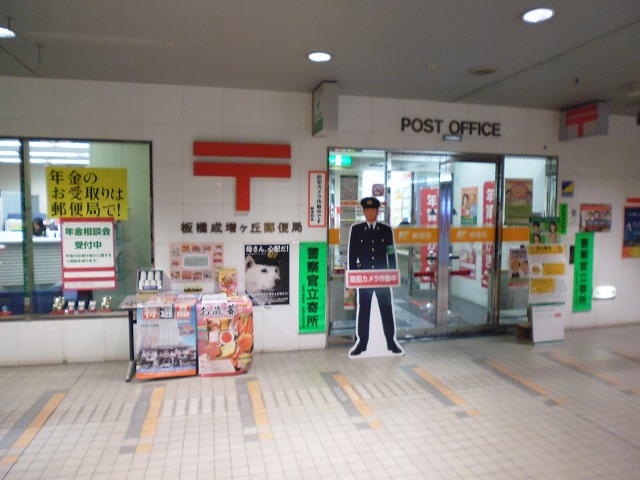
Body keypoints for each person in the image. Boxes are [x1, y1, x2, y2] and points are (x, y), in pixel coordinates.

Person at [348, 197, 402, 357]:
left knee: (386, 308)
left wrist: (392, 273)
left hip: (382, 277)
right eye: (367, 209)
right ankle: (362, 343)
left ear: (377, 212)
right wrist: (352, 278)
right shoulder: (356, 230)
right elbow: (352, 255)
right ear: (364, 211)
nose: (371, 212)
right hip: (364, 278)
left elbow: (391, 253)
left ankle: (391, 342)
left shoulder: (386, 230)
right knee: (363, 309)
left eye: (373, 209)